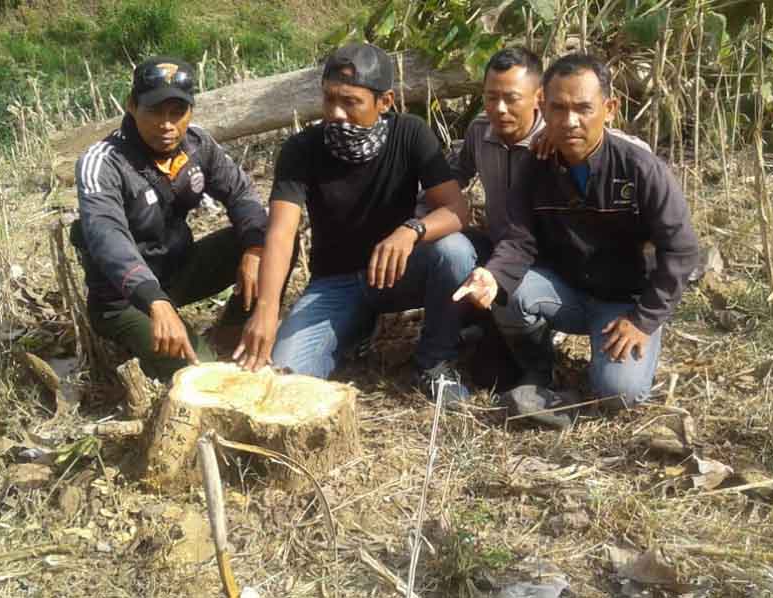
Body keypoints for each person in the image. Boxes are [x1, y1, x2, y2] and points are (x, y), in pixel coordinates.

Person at [455, 53, 700, 428]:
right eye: (558, 108)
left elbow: (681, 250)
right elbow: (519, 240)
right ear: (543, 107)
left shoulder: (641, 169)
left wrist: (644, 319)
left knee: (620, 394)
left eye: (583, 108)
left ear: (610, 108)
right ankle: (539, 372)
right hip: (566, 289)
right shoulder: (536, 165)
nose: (570, 121)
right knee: (509, 291)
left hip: (623, 301)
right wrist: (492, 275)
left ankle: (626, 352)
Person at [235, 42, 477, 407]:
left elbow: (457, 210)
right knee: (285, 377)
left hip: (398, 272)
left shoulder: (410, 134)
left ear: (385, 102)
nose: (336, 113)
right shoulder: (302, 149)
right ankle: (353, 330)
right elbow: (282, 231)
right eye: (329, 99)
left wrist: (411, 231)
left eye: (350, 102)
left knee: (454, 250)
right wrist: (267, 309)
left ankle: (434, 362)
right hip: (335, 283)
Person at [74, 56, 267, 381]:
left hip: (177, 272)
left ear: (190, 111)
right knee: (203, 376)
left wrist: (255, 249)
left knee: (273, 240)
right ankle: (168, 342)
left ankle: (230, 333)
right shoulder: (104, 162)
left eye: (177, 113)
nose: (166, 124)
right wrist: (154, 302)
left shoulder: (198, 144)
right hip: (125, 298)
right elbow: (108, 239)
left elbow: (241, 194)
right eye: (154, 112)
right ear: (132, 106)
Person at [439, 47, 546, 391]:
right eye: (490, 97)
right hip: (497, 249)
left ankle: (540, 360)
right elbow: (455, 174)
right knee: (450, 247)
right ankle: (473, 328)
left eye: (511, 98)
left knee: (499, 376)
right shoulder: (479, 130)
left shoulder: (554, 143)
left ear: (538, 98)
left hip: (544, 260)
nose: (499, 109)